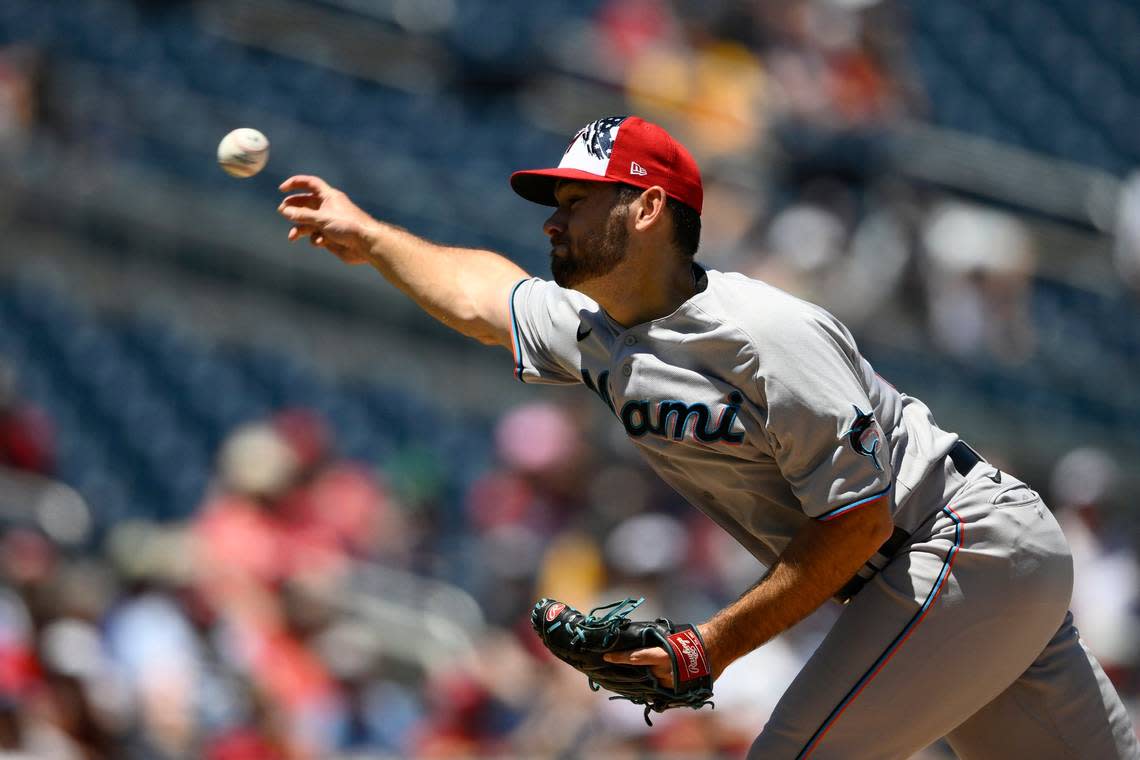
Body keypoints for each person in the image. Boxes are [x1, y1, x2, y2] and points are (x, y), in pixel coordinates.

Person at [276, 116, 1139, 758]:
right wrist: (378, 237)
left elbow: (860, 523)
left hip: (957, 544)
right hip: (940, 576)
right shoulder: (595, 330)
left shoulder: (765, 332)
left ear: (647, 207)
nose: (553, 219)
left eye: (577, 200)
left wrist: (706, 646)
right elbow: (482, 294)